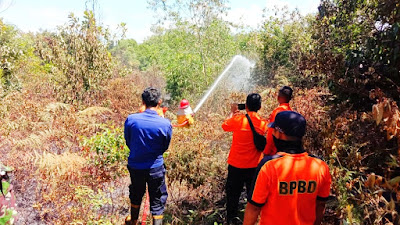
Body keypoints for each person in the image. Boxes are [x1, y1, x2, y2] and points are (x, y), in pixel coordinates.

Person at [243, 111, 332, 225]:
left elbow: (254, 207)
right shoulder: (320, 166)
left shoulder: (269, 166)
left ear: (279, 133)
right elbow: (320, 204)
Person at [124, 87, 172, 225]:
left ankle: (133, 220)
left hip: (135, 166)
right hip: (155, 168)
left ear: (143, 101)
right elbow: (165, 146)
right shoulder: (165, 123)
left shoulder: (131, 119)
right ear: (159, 102)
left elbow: (129, 140)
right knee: (157, 200)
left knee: (136, 193)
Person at [221, 93, 268, 224]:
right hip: (254, 168)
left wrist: (232, 112)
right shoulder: (263, 123)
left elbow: (224, 125)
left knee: (232, 197)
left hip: (235, 166)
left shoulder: (238, 120)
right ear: (260, 106)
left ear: (246, 106)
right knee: (253, 198)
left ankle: (231, 220)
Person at [263, 86, 293, 156]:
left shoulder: (278, 112)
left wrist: (266, 151)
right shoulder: (291, 111)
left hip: (274, 151)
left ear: (279, 97)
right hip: (286, 150)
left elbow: (271, 132)